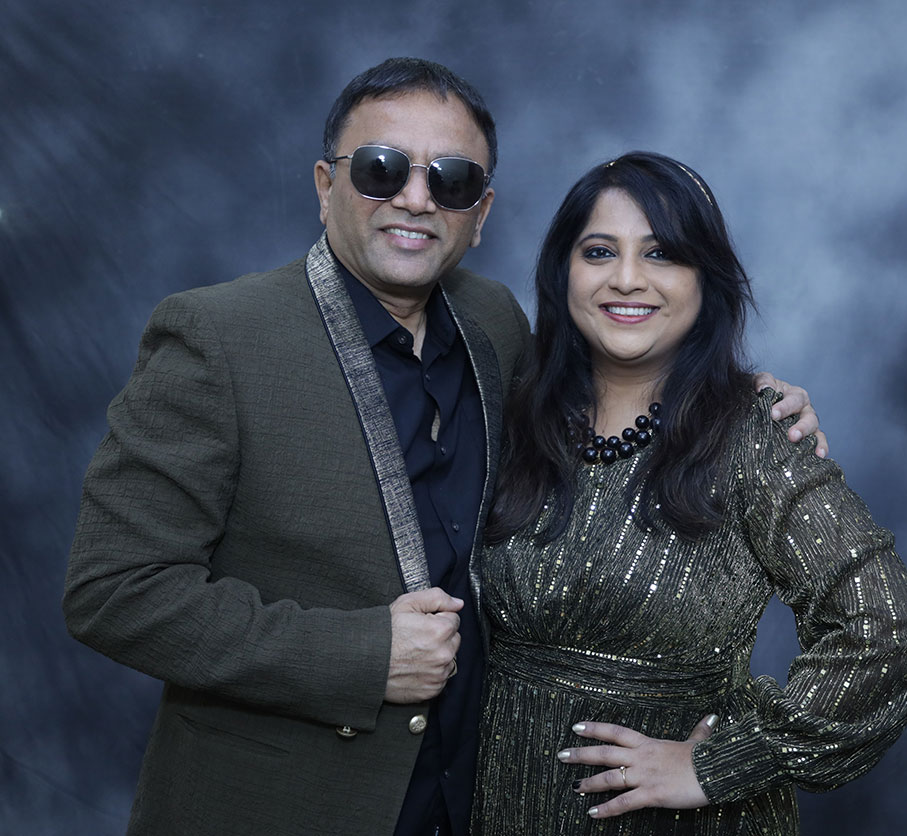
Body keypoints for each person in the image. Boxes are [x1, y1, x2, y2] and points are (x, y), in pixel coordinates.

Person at [63, 59, 823, 836]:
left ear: (480, 212)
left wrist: (738, 403)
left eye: (451, 179)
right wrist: (362, 656)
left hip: (479, 803)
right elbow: (114, 591)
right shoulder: (218, 338)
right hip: (283, 807)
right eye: (381, 169)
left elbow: (602, 406)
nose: (416, 199)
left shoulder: (492, 322)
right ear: (325, 184)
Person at [474, 152, 907, 835]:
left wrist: (718, 765)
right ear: (562, 272)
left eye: (662, 253)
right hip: (499, 804)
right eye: (599, 251)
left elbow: (894, 634)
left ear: (705, 280)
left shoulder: (755, 434)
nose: (626, 278)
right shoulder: (508, 412)